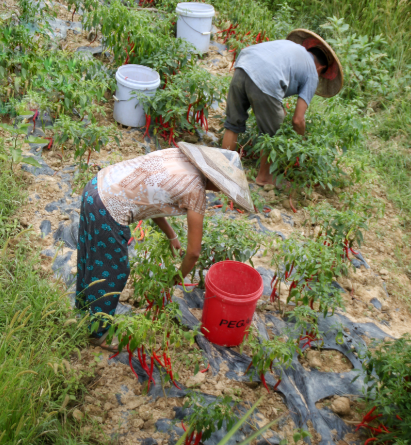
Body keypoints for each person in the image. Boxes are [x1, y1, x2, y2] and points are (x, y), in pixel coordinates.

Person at [76, 143, 253, 350]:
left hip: (96, 187)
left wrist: (171, 235)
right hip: (109, 208)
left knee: (89, 254)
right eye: (222, 187)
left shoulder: (176, 155)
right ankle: (98, 332)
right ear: (214, 178)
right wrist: (174, 279)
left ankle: (82, 308)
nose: (219, 191)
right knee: (113, 271)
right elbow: (194, 253)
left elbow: (151, 197)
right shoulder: (195, 191)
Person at [222, 29, 343, 187]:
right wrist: (299, 142)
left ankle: (223, 170)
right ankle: (264, 177)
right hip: (266, 78)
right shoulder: (313, 73)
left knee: (233, 123)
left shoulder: (289, 47)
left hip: (243, 65)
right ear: (320, 69)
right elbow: (298, 119)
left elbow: (274, 97)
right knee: (273, 136)